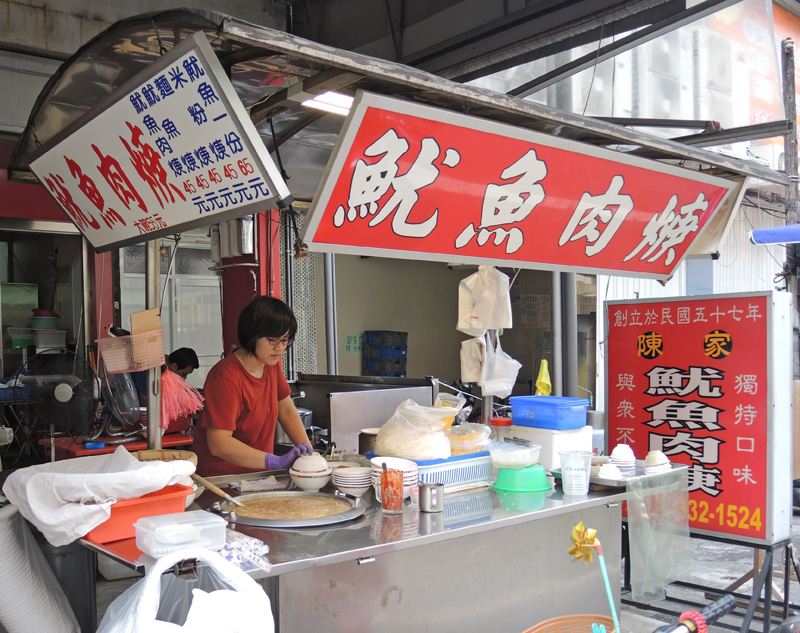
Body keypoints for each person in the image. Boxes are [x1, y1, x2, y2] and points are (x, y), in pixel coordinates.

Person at [192, 296, 313, 476]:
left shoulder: (270, 366)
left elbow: (286, 411)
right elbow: (219, 444)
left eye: (286, 339)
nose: (280, 348)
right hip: (221, 479)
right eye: (273, 340)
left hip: (257, 476)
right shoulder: (226, 378)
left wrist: (310, 455)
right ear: (253, 334)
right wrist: (274, 461)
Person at [133, 347, 200, 407]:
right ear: (174, 366)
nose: (184, 378)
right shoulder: (150, 370)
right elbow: (145, 402)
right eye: (183, 374)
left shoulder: (168, 366)